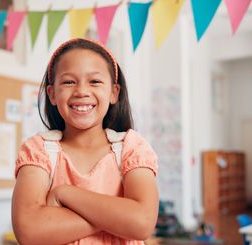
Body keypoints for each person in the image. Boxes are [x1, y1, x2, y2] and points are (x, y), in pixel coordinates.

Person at [12, 38, 159, 245]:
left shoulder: (132, 148)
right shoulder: (39, 150)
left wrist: (65, 194)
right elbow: (29, 231)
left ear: (113, 93)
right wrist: (117, 217)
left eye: (95, 81)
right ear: (52, 95)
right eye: (68, 81)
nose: (81, 91)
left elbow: (142, 223)